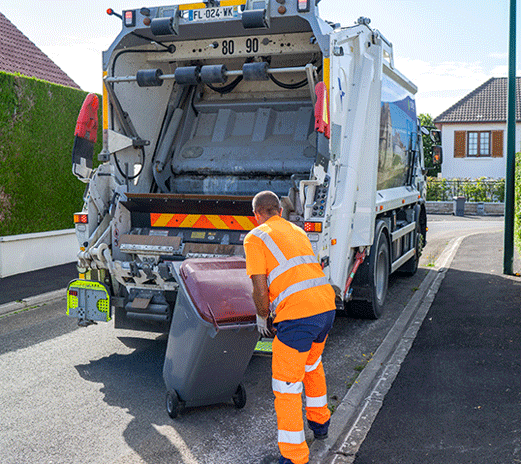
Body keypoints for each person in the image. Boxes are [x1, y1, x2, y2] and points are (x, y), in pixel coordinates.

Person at [243, 190, 336, 464]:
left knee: (286, 387)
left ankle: (294, 456)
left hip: (298, 317)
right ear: (280, 212)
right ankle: (321, 425)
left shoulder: (255, 237)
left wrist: (263, 317)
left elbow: (260, 288)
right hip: (325, 306)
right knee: (311, 365)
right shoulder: (297, 231)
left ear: (256, 216)